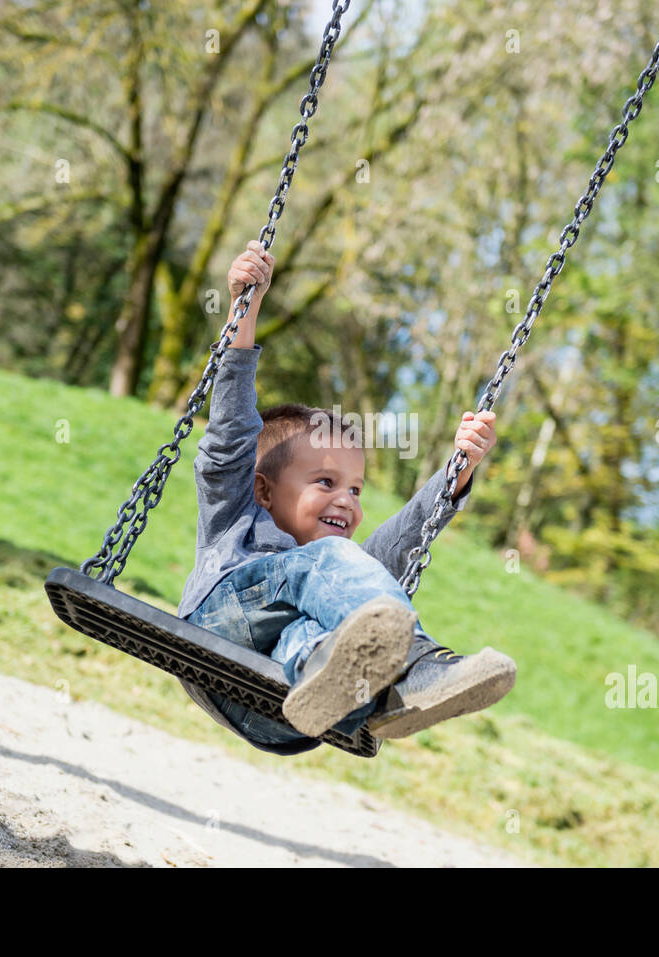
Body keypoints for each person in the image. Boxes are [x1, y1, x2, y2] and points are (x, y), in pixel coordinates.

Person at [176, 241, 516, 755]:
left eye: (355, 489)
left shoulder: (340, 574)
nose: (348, 501)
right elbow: (229, 433)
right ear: (263, 489)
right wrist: (244, 311)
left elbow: (405, 538)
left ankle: (359, 678)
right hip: (214, 639)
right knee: (334, 566)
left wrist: (458, 470)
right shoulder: (236, 514)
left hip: (281, 712)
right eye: (326, 483)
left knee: (349, 624)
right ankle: (415, 670)